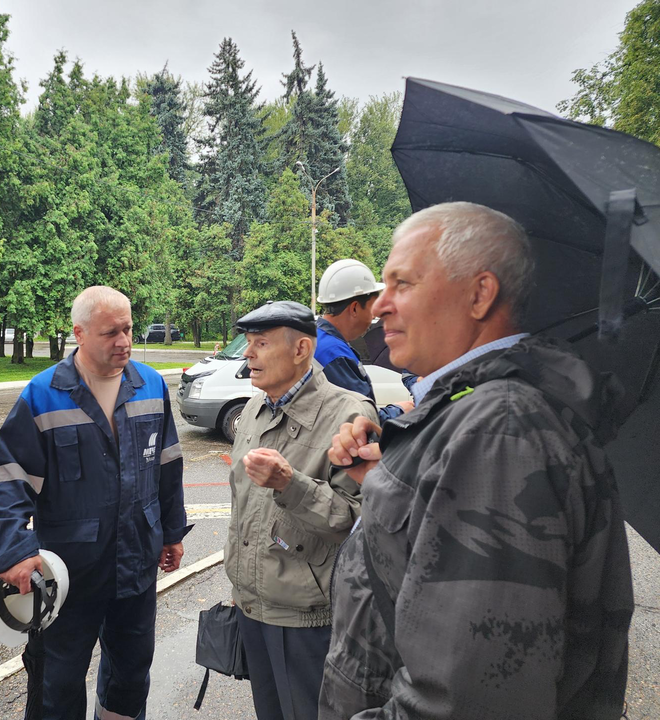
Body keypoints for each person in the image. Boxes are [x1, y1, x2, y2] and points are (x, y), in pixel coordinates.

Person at [319, 203, 634, 720]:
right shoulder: (480, 410)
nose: (379, 306)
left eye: (403, 283)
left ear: (480, 294)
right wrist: (384, 477)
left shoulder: (500, 432)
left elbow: (467, 700)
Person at [0, 286, 190, 720]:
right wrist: (14, 550)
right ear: (79, 333)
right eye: (111, 332)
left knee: (131, 673)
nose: (124, 341)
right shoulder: (43, 395)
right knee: (58, 679)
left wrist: (172, 532)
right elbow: (10, 478)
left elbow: (168, 465)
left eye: (128, 329)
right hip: (69, 572)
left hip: (136, 560)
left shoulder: (149, 384)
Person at [224, 300, 378, 720]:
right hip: (253, 607)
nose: (247, 354)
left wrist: (289, 485)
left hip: (309, 620)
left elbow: (356, 522)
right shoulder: (255, 408)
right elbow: (244, 507)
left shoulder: (350, 414)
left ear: (301, 350)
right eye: (248, 343)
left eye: (260, 343)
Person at [315, 259, 414, 422]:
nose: (375, 314)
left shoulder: (316, 339)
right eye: (372, 306)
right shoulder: (335, 355)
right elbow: (360, 420)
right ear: (354, 308)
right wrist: (399, 410)